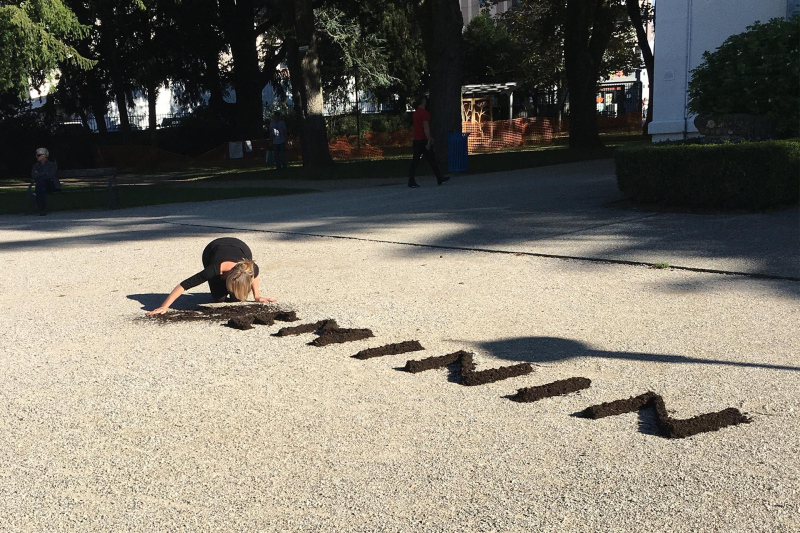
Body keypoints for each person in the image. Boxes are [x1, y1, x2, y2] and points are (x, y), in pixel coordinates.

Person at [146, 237, 277, 316]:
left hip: (240, 247)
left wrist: (257, 296)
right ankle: (221, 287)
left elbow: (254, 276)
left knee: (237, 298)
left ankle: (234, 291)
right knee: (218, 299)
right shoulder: (213, 270)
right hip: (212, 249)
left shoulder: (250, 268)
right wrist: (164, 306)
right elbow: (184, 285)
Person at [408, 95, 449, 188]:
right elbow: (426, 127)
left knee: (415, 161)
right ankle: (439, 178)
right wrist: (429, 139)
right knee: (431, 159)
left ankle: (411, 180)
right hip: (423, 140)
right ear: (423, 101)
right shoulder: (424, 113)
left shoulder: (415, 114)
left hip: (417, 140)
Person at [31, 147, 58, 215]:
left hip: (51, 185)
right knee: (41, 186)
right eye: (37, 155)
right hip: (41, 186)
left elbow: (51, 175)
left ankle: (41, 208)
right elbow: (34, 175)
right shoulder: (36, 166)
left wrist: (40, 174)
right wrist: (45, 173)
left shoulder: (52, 165)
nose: (37, 156)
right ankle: (43, 209)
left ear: (45, 156)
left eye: (39, 155)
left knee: (41, 183)